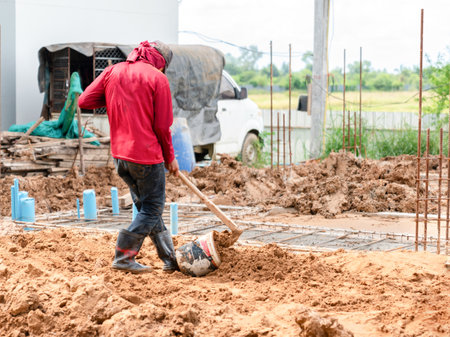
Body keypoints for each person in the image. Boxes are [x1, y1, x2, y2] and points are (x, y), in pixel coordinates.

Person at [78, 41, 179, 274]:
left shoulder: (113, 71)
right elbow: (162, 126)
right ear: (161, 63)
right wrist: (170, 156)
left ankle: (169, 259)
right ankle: (124, 257)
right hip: (146, 156)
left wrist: (117, 97)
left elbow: (85, 101)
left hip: (121, 156)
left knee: (147, 209)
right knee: (152, 208)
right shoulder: (157, 78)